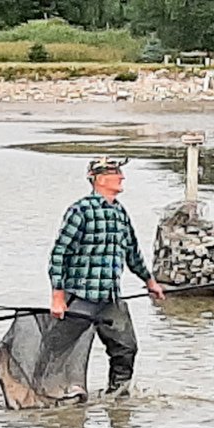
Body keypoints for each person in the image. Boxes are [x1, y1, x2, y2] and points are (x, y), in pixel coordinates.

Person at [47, 157, 165, 395]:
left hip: (110, 299)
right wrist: (57, 297)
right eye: (116, 173)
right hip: (79, 297)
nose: (122, 177)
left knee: (126, 348)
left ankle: (117, 397)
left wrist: (150, 282)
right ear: (99, 180)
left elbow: (132, 251)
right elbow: (59, 254)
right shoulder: (80, 211)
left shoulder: (120, 212)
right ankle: (58, 395)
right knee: (64, 351)